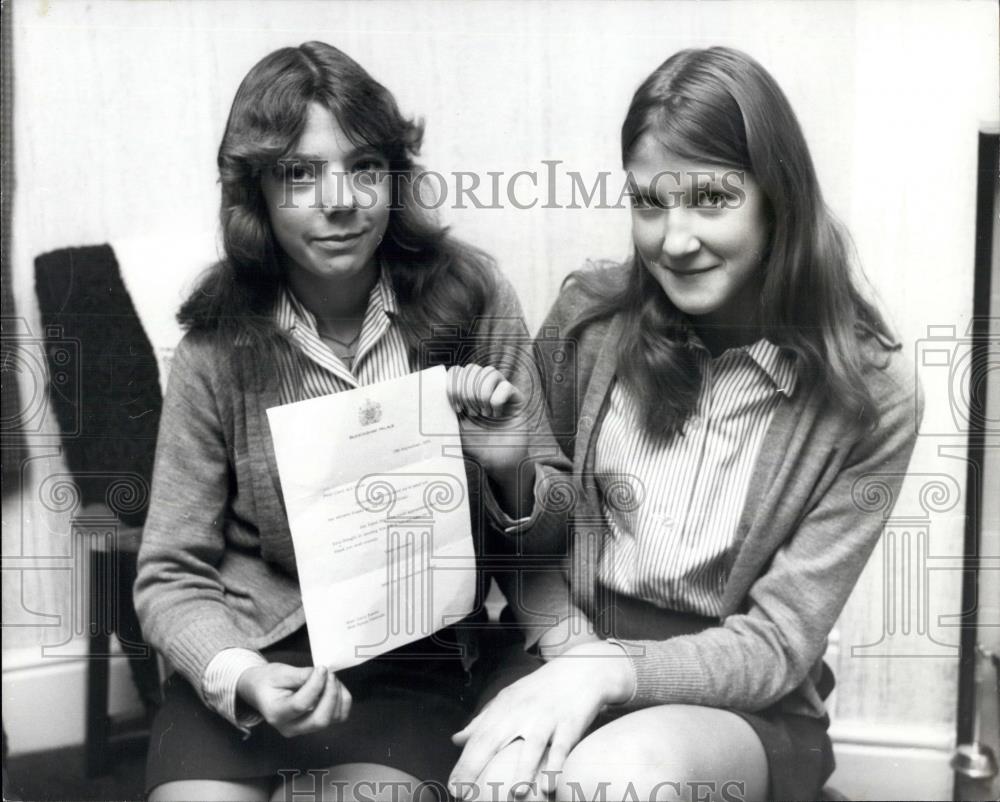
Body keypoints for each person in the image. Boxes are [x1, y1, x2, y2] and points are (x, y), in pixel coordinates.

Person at [449, 46, 922, 802]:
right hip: (562, 646)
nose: (674, 239)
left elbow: (776, 644)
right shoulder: (586, 325)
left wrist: (611, 672)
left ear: (779, 196)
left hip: (737, 698)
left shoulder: (870, 391)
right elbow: (527, 555)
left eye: (710, 198)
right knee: (499, 784)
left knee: (614, 784)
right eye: (649, 202)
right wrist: (570, 648)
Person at [135, 41, 534, 802]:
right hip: (254, 655)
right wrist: (246, 677)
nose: (341, 199)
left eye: (364, 167)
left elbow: (547, 546)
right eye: (300, 174)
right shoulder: (216, 346)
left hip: (409, 665)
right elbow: (169, 574)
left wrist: (511, 470)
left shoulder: (474, 302)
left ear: (395, 176)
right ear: (254, 194)